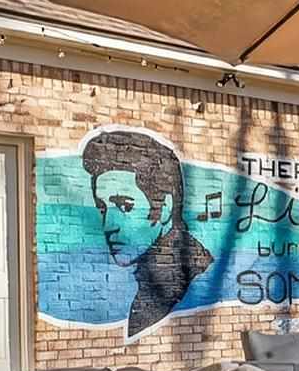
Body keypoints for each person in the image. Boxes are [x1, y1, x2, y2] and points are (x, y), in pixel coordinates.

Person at [82, 128, 214, 338]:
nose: (109, 225)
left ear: (165, 209)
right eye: (102, 209)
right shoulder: (153, 288)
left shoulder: (187, 284)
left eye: (125, 206)